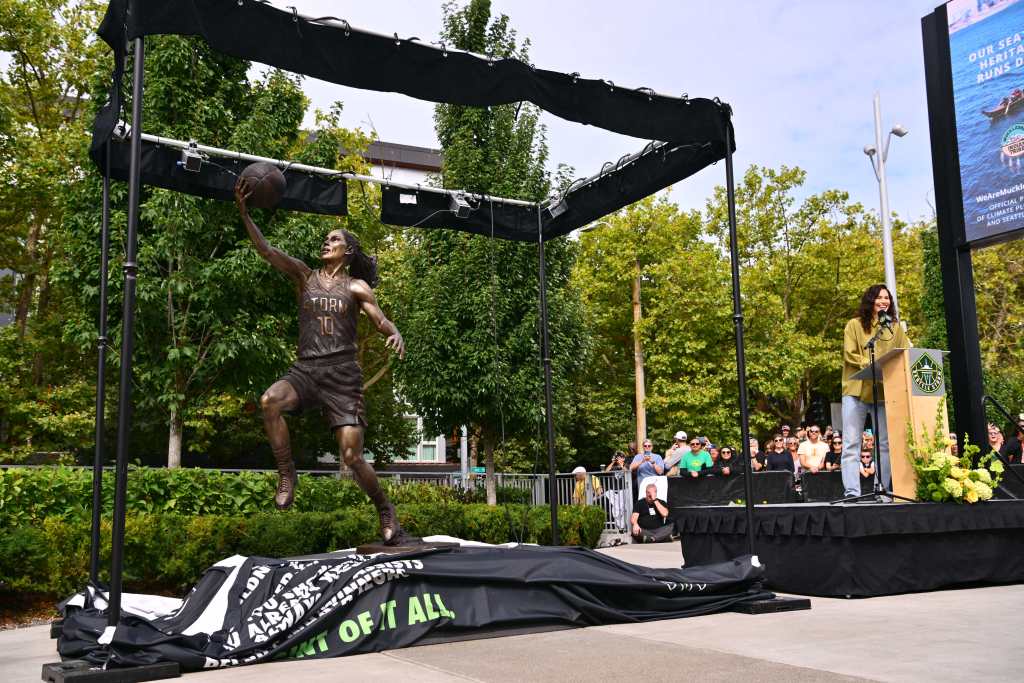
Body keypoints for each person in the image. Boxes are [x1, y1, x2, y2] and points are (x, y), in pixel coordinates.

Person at [235, 179, 406, 543]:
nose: (326, 243)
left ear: (348, 251)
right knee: (269, 401)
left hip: (343, 377)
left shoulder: (357, 287)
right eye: (326, 239)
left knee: (352, 456)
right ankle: (287, 473)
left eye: (334, 239)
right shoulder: (304, 275)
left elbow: (380, 320)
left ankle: (384, 508)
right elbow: (266, 250)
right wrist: (245, 213)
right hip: (307, 370)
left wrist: (395, 333)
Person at [841, 284, 911, 499]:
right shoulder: (854, 325)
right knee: (851, 443)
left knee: (884, 444)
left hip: (884, 391)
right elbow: (849, 354)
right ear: (870, 300)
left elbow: (905, 353)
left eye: (887, 298)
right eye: (879, 297)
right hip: (856, 390)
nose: (884, 301)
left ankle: (882, 491)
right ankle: (852, 493)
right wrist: (870, 363)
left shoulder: (895, 328)